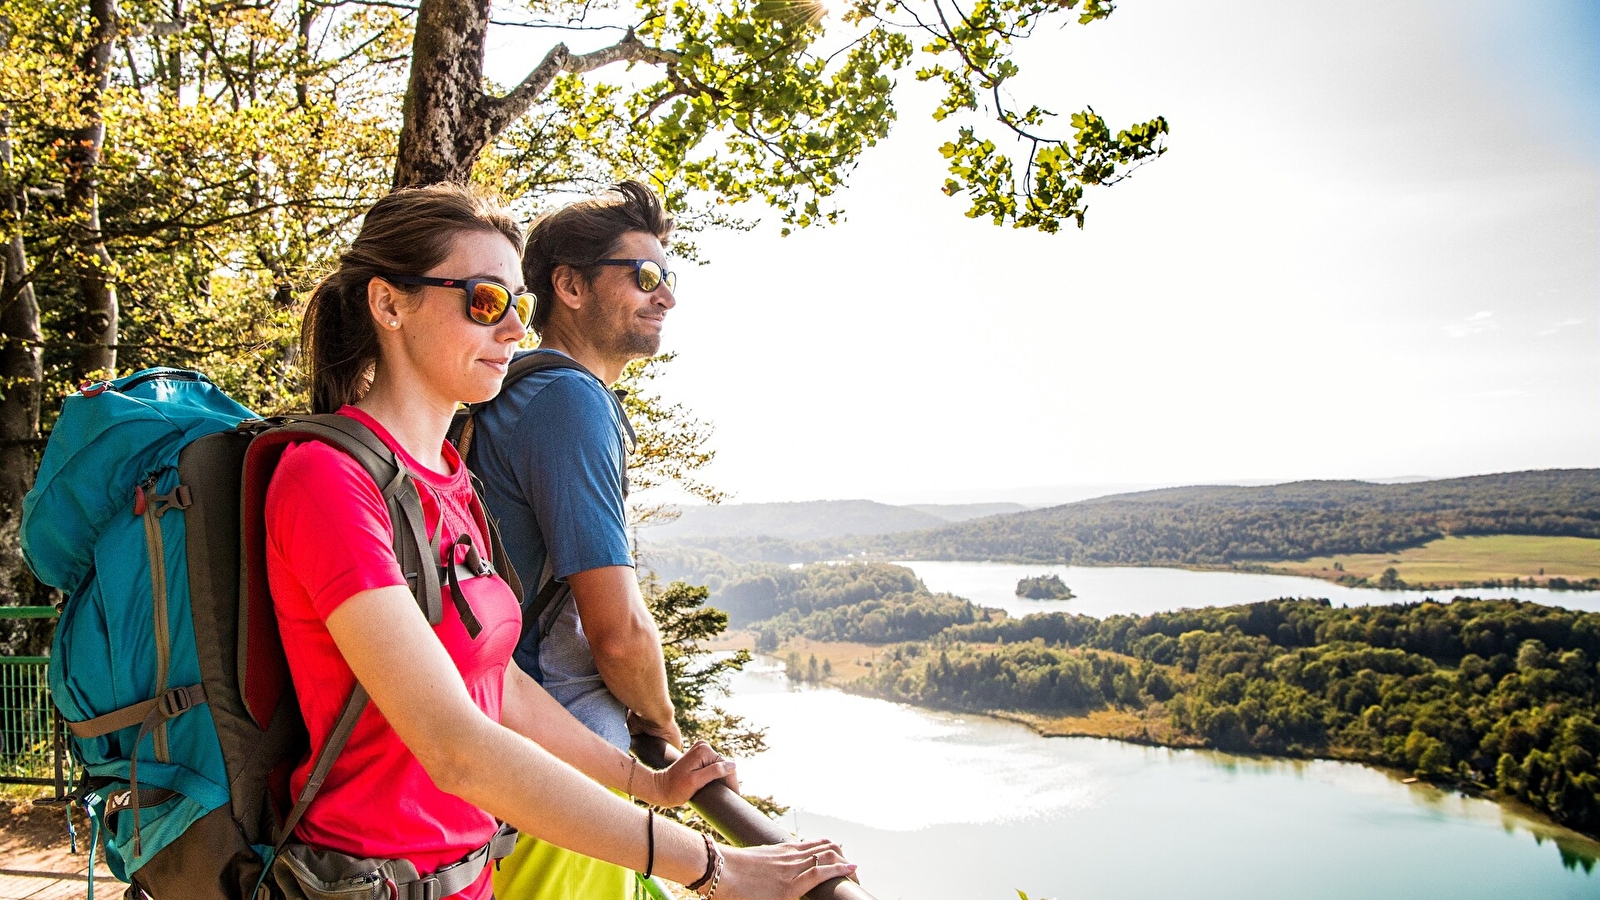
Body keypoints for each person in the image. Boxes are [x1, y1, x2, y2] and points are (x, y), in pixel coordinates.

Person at [267, 181, 851, 900]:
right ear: (390, 305)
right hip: (373, 883)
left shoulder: (448, 478)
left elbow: (501, 683)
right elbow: (455, 748)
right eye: (486, 301)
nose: (516, 328)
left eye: (518, 302)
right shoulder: (325, 479)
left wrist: (646, 779)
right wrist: (717, 867)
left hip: (469, 875)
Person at [466, 181, 685, 899]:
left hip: (514, 768)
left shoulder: (512, 393)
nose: (665, 296)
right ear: (569, 286)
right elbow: (617, 633)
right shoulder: (568, 400)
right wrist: (663, 725)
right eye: (643, 275)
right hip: (561, 783)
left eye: (669, 278)